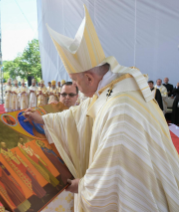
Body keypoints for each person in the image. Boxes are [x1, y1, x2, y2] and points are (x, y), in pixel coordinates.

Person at [25, 5, 179, 211]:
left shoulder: (121, 107)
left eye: (75, 82)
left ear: (89, 77)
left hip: (140, 190)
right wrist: (45, 119)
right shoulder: (112, 87)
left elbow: (112, 174)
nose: (76, 88)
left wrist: (81, 185)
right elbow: (79, 113)